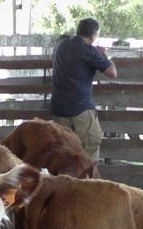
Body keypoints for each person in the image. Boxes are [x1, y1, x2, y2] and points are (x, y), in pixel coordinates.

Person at [49, 17, 118, 163]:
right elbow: (112, 72)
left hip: (58, 109)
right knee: (89, 151)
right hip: (80, 109)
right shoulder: (88, 50)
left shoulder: (62, 45)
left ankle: (65, 183)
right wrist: (103, 54)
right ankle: (87, 184)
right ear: (93, 36)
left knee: (64, 154)